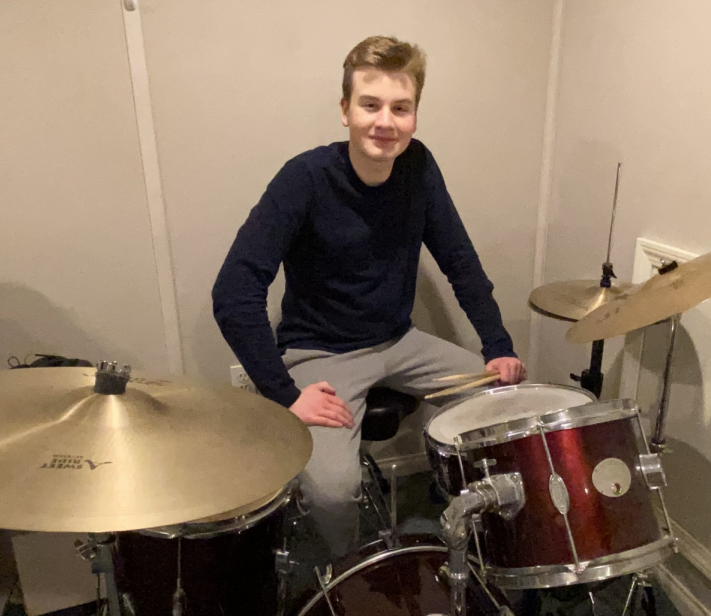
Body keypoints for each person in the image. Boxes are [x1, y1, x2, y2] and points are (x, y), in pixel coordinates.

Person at [212, 35, 526, 557]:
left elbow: (461, 263)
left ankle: (467, 529)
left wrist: (498, 344)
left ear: (415, 116)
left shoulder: (419, 167)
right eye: (371, 105)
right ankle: (350, 579)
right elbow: (234, 293)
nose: (385, 121)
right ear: (345, 110)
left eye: (400, 108)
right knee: (334, 492)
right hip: (320, 353)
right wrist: (285, 393)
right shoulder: (305, 178)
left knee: (503, 407)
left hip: (400, 341)